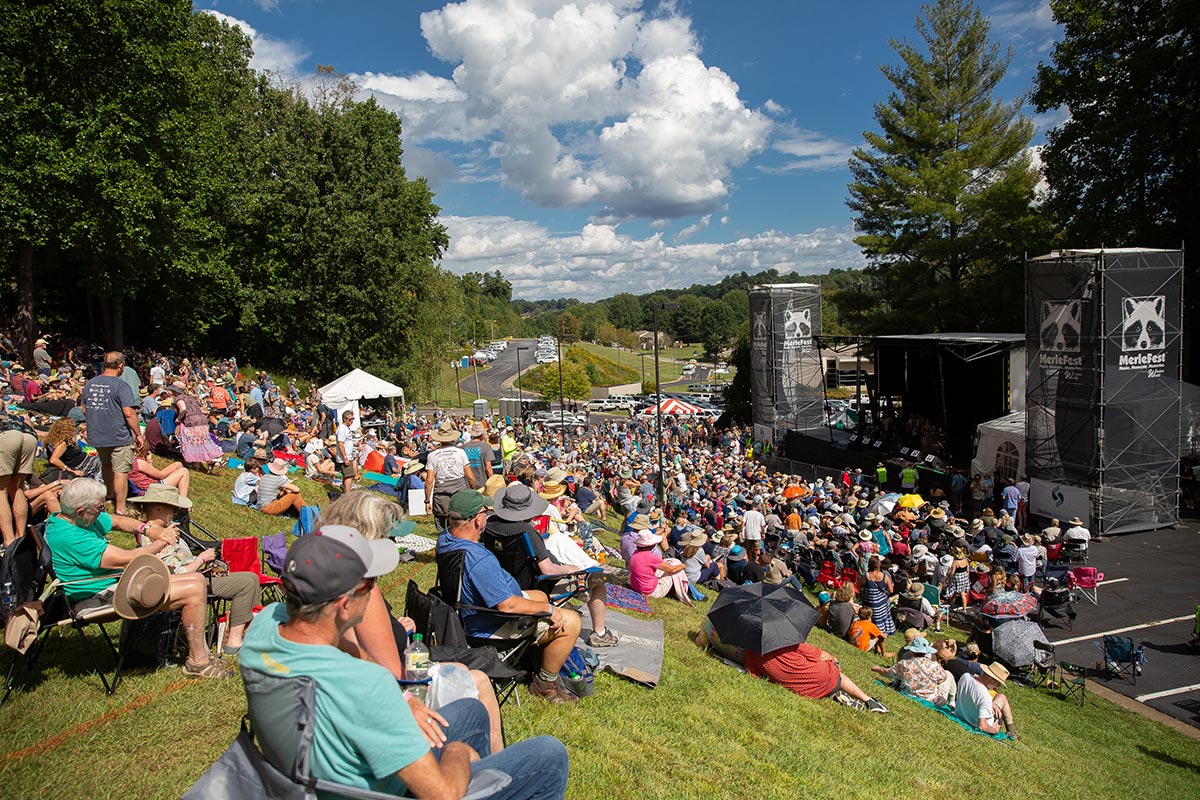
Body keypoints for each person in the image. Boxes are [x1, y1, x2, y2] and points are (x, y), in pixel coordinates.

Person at [240, 524, 570, 799]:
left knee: (471, 710)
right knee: (550, 754)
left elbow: (344, 648)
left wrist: (403, 698)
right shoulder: (366, 689)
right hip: (393, 791)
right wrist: (457, 753)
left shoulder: (266, 627)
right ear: (344, 604)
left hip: (312, 778)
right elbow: (441, 794)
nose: (375, 592)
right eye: (370, 584)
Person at [319, 490, 505, 755]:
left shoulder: (327, 576)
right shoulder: (361, 589)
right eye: (388, 537)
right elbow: (391, 676)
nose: (393, 544)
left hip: (363, 691)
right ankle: (492, 765)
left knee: (470, 672)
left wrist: (392, 625)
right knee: (479, 681)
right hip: (394, 696)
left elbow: (351, 642)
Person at [45, 478, 229, 678]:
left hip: (113, 584)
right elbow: (129, 559)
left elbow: (118, 521)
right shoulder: (73, 538)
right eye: (99, 507)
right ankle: (198, 662)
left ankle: (200, 654)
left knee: (197, 580)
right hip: (97, 598)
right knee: (192, 590)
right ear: (81, 511)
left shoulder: (70, 518)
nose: (103, 511)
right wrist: (162, 540)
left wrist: (148, 529)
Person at [437, 489, 583, 704]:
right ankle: (544, 683)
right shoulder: (478, 558)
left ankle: (532, 660)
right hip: (488, 624)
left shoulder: (446, 540)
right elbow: (507, 605)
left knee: (541, 596)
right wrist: (550, 611)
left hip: (467, 609)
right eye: (485, 512)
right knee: (571, 621)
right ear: (478, 519)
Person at [487, 480, 618, 648]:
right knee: (597, 582)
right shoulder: (525, 531)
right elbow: (547, 570)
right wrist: (571, 568)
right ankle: (599, 633)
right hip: (537, 585)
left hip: (506, 581)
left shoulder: (490, 526)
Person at [129, 484, 258, 653]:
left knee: (250, 578)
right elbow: (176, 571)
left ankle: (242, 631)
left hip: (193, 578)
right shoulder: (155, 537)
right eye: (174, 509)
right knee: (247, 582)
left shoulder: (159, 531)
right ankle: (233, 640)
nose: (175, 513)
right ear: (159, 508)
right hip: (184, 584)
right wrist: (201, 559)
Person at [80, 351, 144, 515]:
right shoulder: (120, 385)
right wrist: (138, 435)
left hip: (98, 434)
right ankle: (120, 507)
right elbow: (129, 413)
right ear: (121, 366)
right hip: (118, 435)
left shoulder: (90, 384)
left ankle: (108, 496)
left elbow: (84, 409)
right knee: (121, 470)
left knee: (106, 465)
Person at [425, 421, 475, 530]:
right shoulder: (460, 452)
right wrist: (473, 490)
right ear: (452, 438)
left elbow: (429, 480)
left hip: (441, 491)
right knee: (461, 522)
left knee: (442, 524)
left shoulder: (432, 455)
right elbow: (470, 476)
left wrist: (427, 500)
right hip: (459, 490)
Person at [954, 660, 1018, 738]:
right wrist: (995, 730)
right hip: (979, 721)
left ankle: (1012, 732)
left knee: (1000, 697)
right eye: (998, 683)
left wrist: (991, 704)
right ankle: (1012, 733)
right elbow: (982, 726)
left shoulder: (965, 676)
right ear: (992, 679)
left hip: (960, 713)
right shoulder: (985, 696)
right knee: (1002, 698)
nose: (997, 686)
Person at [0, 420, 38, 547]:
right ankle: (20, 538)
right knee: (17, 489)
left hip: (6, 435)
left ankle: (9, 543)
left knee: (1, 492)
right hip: (28, 433)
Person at [627, 528, 689, 602]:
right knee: (676, 571)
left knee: (673, 564)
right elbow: (673, 569)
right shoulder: (651, 557)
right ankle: (681, 594)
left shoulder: (636, 553)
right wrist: (683, 565)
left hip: (636, 586)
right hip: (650, 591)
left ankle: (679, 592)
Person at [336, 410, 358, 493]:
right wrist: (345, 457)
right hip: (345, 456)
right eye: (350, 419)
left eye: (353, 419)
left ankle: (344, 489)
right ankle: (348, 494)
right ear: (344, 419)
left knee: (346, 475)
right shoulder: (342, 429)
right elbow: (341, 444)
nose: (352, 421)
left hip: (348, 454)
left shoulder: (346, 428)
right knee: (349, 476)